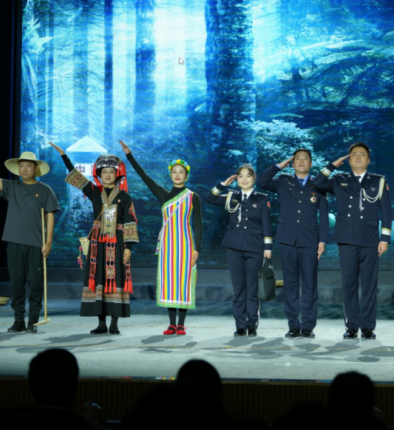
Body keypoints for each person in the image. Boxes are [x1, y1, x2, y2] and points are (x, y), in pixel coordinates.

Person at [49, 142, 138, 335]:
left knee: (116, 280)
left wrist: (129, 247)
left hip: (118, 243)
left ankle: (114, 324)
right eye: (104, 172)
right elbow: (76, 176)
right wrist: (64, 156)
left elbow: (130, 222)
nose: (108, 175)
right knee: (98, 279)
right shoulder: (94, 192)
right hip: (98, 243)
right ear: (99, 174)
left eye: (111, 172)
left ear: (117, 175)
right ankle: (101, 324)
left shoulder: (124, 197)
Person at [120, 140, 202, 336]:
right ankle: (172, 324)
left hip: (185, 245)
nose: (177, 175)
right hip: (168, 246)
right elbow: (144, 176)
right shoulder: (163, 194)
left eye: (181, 172)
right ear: (170, 175)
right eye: (174, 172)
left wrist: (197, 248)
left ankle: (181, 324)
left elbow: (198, 224)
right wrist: (130, 156)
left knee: (183, 281)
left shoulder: (193, 197)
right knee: (169, 282)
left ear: (186, 176)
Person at [313, 143, 392, 340]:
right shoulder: (339, 179)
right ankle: (351, 326)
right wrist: (332, 165)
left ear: (368, 160)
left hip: (370, 239)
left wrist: (385, 239)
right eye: (354, 154)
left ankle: (368, 327)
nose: (357, 157)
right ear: (348, 160)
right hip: (347, 239)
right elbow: (317, 183)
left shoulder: (379, 181)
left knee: (369, 286)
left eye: (362, 154)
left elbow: (386, 211)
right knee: (349, 285)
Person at [0, 138, 59, 334]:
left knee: (36, 284)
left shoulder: (45, 190)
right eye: (21, 166)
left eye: (28, 166)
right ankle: (18, 321)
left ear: (36, 169)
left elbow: (50, 215)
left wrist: (48, 241)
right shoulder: (11, 186)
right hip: (14, 243)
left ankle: (33, 321)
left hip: (36, 244)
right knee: (16, 284)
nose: (24, 169)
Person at [258, 149, 329, 338]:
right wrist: (279, 166)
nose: (301, 161)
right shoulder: (284, 181)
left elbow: (323, 216)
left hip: (310, 241)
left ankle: (308, 326)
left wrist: (322, 240)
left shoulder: (318, 185)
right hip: (287, 240)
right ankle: (293, 325)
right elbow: (262, 182)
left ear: (311, 164)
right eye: (297, 158)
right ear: (292, 162)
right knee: (290, 284)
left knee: (309, 285)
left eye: (305, 159)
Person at [205, 164, 273, 337]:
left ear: (254, 178)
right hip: (234, 247)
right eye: (240, 176)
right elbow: (210, 198)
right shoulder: (231, 196)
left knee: (252, 287)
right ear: (236, 179)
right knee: (238, 288)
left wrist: (267, 248)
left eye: (248, 175)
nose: (244, 179)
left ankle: (252, 323)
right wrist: (223, 184)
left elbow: (267, 224)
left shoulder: (262, 198)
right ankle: (240, 325)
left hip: (255, 248)